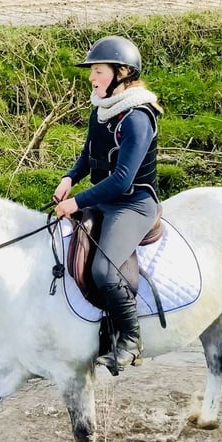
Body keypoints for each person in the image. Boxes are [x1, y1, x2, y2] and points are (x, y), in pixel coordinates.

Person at [54, 35, 163, 372]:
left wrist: (77, 203)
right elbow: (89, 155)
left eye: (97, 70)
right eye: (92, 71)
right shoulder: (101, 110)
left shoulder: (137, 118)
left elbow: (122, 180)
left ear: (122, 72)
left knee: (104, 269)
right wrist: (71, 177)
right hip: (106, 200)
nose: (91, 77)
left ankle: (131, 340)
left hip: (133, 205)